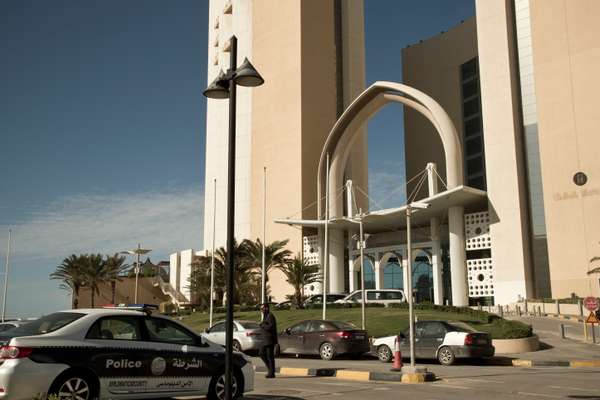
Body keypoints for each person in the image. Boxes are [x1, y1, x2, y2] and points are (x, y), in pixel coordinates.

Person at [259, 302, 277, 378]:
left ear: (266, 308)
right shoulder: (266, 316)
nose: (261, 310)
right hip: (265, 340)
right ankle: (270, 369)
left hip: (269, 340)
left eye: (262, 308)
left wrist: (262, 325)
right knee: (261, 353)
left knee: (270, 357)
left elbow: (270, 327)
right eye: (261, 309)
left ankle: (271, 373)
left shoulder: (270, 316)